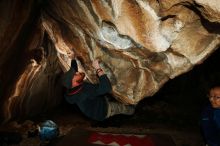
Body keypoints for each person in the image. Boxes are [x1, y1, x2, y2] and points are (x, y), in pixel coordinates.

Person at [62, 52, 135, 121]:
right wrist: (98, 69)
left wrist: (73, 58)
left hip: (94, 105)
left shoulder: (71, 89)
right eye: (75, 74)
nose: (77, 72)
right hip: (102, 111)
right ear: (74, 82)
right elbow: (106, 87)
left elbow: (74, 71)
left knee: (105, 95)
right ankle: (134, 111)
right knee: (121, 108)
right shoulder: (84, 91)